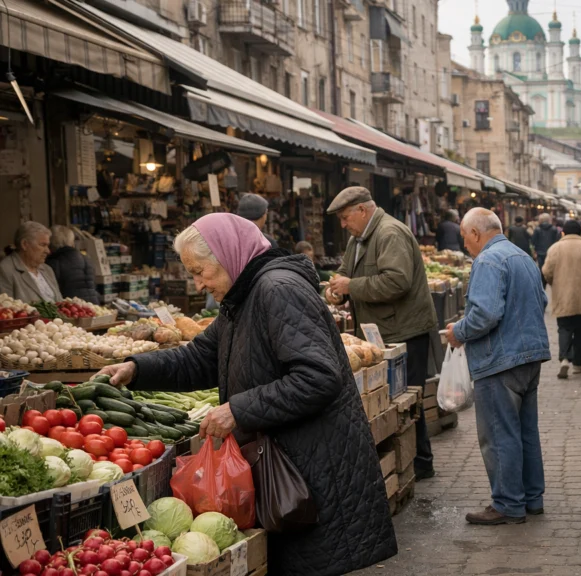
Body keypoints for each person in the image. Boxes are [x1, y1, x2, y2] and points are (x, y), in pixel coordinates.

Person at [97, 214, 397, 575]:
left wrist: (237, 410)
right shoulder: (242, 296)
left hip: (315, 467)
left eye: (200, 271)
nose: (198, 283)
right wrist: (137, 368)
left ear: (227, 255)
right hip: (291, 463)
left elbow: (318, 377)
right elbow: (200, 357)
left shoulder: (278, 290)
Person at [444, 208, 550, 525]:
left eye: (465, 238)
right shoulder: (522, 256)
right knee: (525, 431)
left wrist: (457, 332)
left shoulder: (488, 260)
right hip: (529, 356)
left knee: (499, 434)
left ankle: (507, 504)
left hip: (500, 360)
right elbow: (542, 302)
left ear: (476, 233)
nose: (465, 246)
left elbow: (485, 315)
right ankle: (532, 499)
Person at [324, 187, 436, 480]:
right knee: (394, 400)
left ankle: (421, 462)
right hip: (381, 333)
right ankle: (407, 460)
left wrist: (352, 287)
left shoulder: (389, 233)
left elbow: (397, 281)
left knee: (408, 398)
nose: (344, 225)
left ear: (363, 210)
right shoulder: (357, 240)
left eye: (346, 217)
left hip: (404, 331)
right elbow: (346, 273)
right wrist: (337, 292)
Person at [542, 220, 581, 378]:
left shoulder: (555, 248)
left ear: (563, 232)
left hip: (563, 296)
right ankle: (577, 364)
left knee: (564, 328)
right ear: (580, 232)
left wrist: (554, 284)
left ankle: (564, 359)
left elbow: (546, 271)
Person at [0, 221, 62, 302]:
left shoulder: (47, 270)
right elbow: (7, 309)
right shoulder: (5, 269)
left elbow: (61, 303)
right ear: (25, 244)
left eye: (48, 245)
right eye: (43, 245)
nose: (48, 251)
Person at [46, 225, 99, 304]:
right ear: (72, 242)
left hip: (72, 308)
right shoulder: (86, 259)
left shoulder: (53, 262)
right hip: (93, 305)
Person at [531, 213, 561, 285]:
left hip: (540, 253)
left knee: (542, 269)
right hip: (552, 252)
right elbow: (558, 240)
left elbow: (533, 241)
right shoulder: (554, 229)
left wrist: (535, 249)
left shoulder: (537, 229)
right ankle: (551, 282)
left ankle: (543, 284)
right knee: (552, 268)